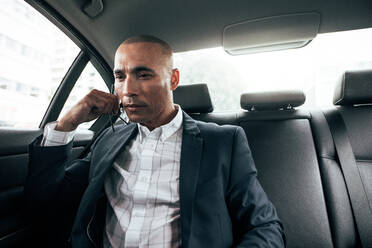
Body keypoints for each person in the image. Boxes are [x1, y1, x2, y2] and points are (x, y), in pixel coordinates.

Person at [25, 35, 285, 247]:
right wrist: (66, 124)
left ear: (173, 79)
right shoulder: (110, 138)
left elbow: (264, 225)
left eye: (143, 75)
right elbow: (46, 203)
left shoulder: (223, 141)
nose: (127, 90)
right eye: (120, 77)